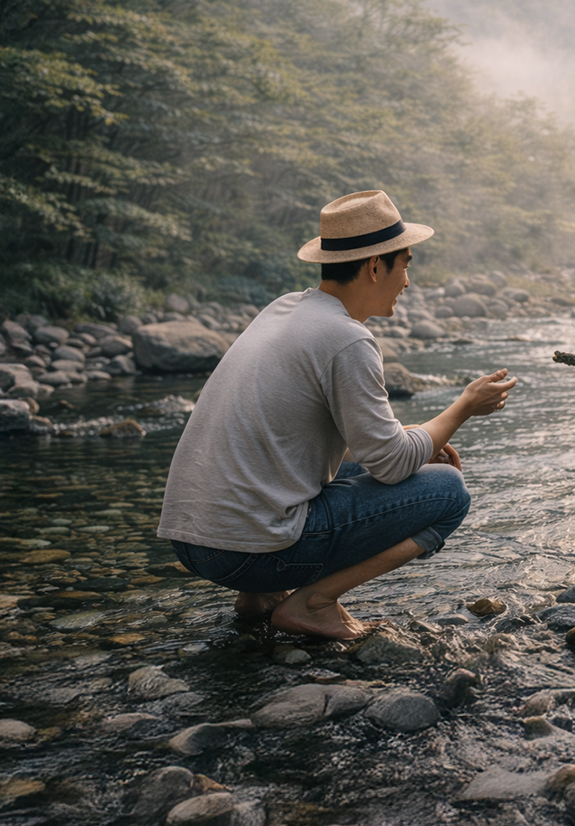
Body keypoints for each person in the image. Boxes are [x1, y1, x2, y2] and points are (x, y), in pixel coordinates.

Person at [157, 190, 517, 639]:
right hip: (243, 553)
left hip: (191, 540)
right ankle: (314, 603)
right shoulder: (347, 339)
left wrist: (409, 440)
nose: (408, 282)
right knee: (448, 492)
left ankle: (259, 596)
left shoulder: (284, 308)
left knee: (362, 467)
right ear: (375, 266)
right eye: (405, 265)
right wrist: (463, 407)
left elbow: (299, 438)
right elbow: (391, 466)